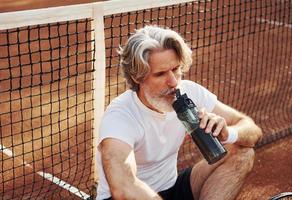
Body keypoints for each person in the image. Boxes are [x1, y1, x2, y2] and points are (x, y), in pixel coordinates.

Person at [96, 25, 262, 200]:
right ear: (137, 77)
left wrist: (229, 133)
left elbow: (252, 129)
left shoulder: (189, 92)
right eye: (160, 74)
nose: (173, 82)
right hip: (130, 197)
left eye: (175, 69)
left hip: (171, 188)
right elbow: (124, 187)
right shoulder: (120, 116)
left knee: (242, 153)